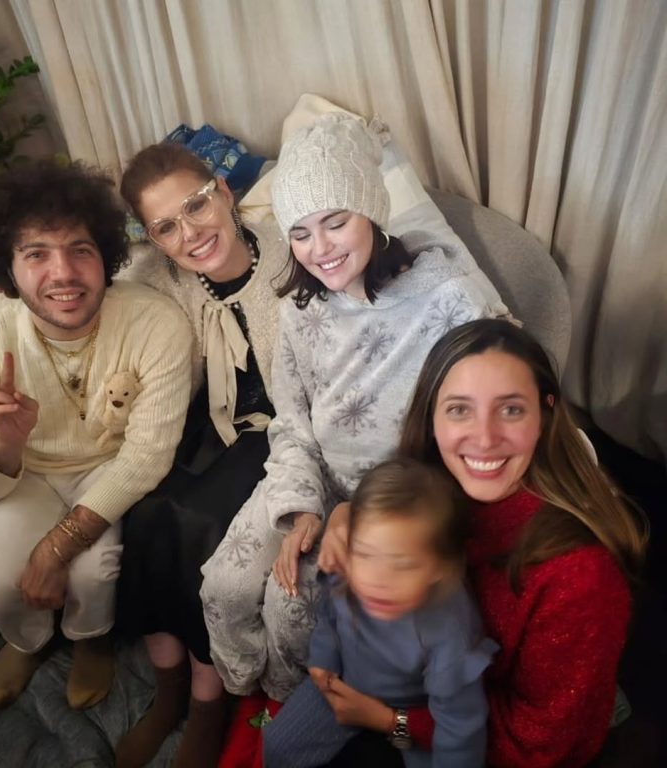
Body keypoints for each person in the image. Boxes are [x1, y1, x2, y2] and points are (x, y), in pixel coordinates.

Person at [0, 142, 288, 767]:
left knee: (199, 528)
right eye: (165, 226)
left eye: (197, 205)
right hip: (209, 427)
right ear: (149, 238)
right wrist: (0, 288)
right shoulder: (158, 274)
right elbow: (74, 281)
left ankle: (207, 701)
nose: (189, 233)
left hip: (281, 434)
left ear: (224, 191)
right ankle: (168, 685)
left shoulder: (294, 254)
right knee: (149, 516)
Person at [198, 112, 510, 764]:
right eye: (300, 233)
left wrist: (349, 517)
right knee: (222, 588)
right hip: (310, 477)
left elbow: (493, 424)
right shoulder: (300, 309)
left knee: (290, 605)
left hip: (398, 504)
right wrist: (300, 508)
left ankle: (292, 707)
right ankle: (240, 694)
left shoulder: (447, 300)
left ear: (371, 210)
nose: (320, 248)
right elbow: (291, 423)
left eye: (336, 221)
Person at [319, 318, 647, 767]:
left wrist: (393, 721)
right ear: (432, 418)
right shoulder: (431, 488)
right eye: (459, 410)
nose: (485, 438)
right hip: (413, 688)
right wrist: (347, 515)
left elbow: (536, 747)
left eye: (511, 409)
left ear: (545, 414)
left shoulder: (581, 577)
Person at [0, 160, 193, 712]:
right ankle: (27, 639)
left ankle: (89, 639)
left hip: (109, 464)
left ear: (106, 254)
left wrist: (58, 545)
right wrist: (4, 447)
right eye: (36, 254)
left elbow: (146, 456)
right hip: (24, 474)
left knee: (94, 574)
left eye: (80, 249)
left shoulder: (156, 323)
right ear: (6, 269)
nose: (63, 274)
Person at [263, 458, 497, 768]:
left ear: (439, 569)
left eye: (403, 565)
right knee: (277, 746)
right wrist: (323, 658)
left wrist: (399, 725)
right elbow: (330, 615)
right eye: (365, 554)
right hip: (345, 685)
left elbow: (459, 731)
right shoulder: (349, 570)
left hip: (414, 715)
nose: (378, 580)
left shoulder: (450, 630)